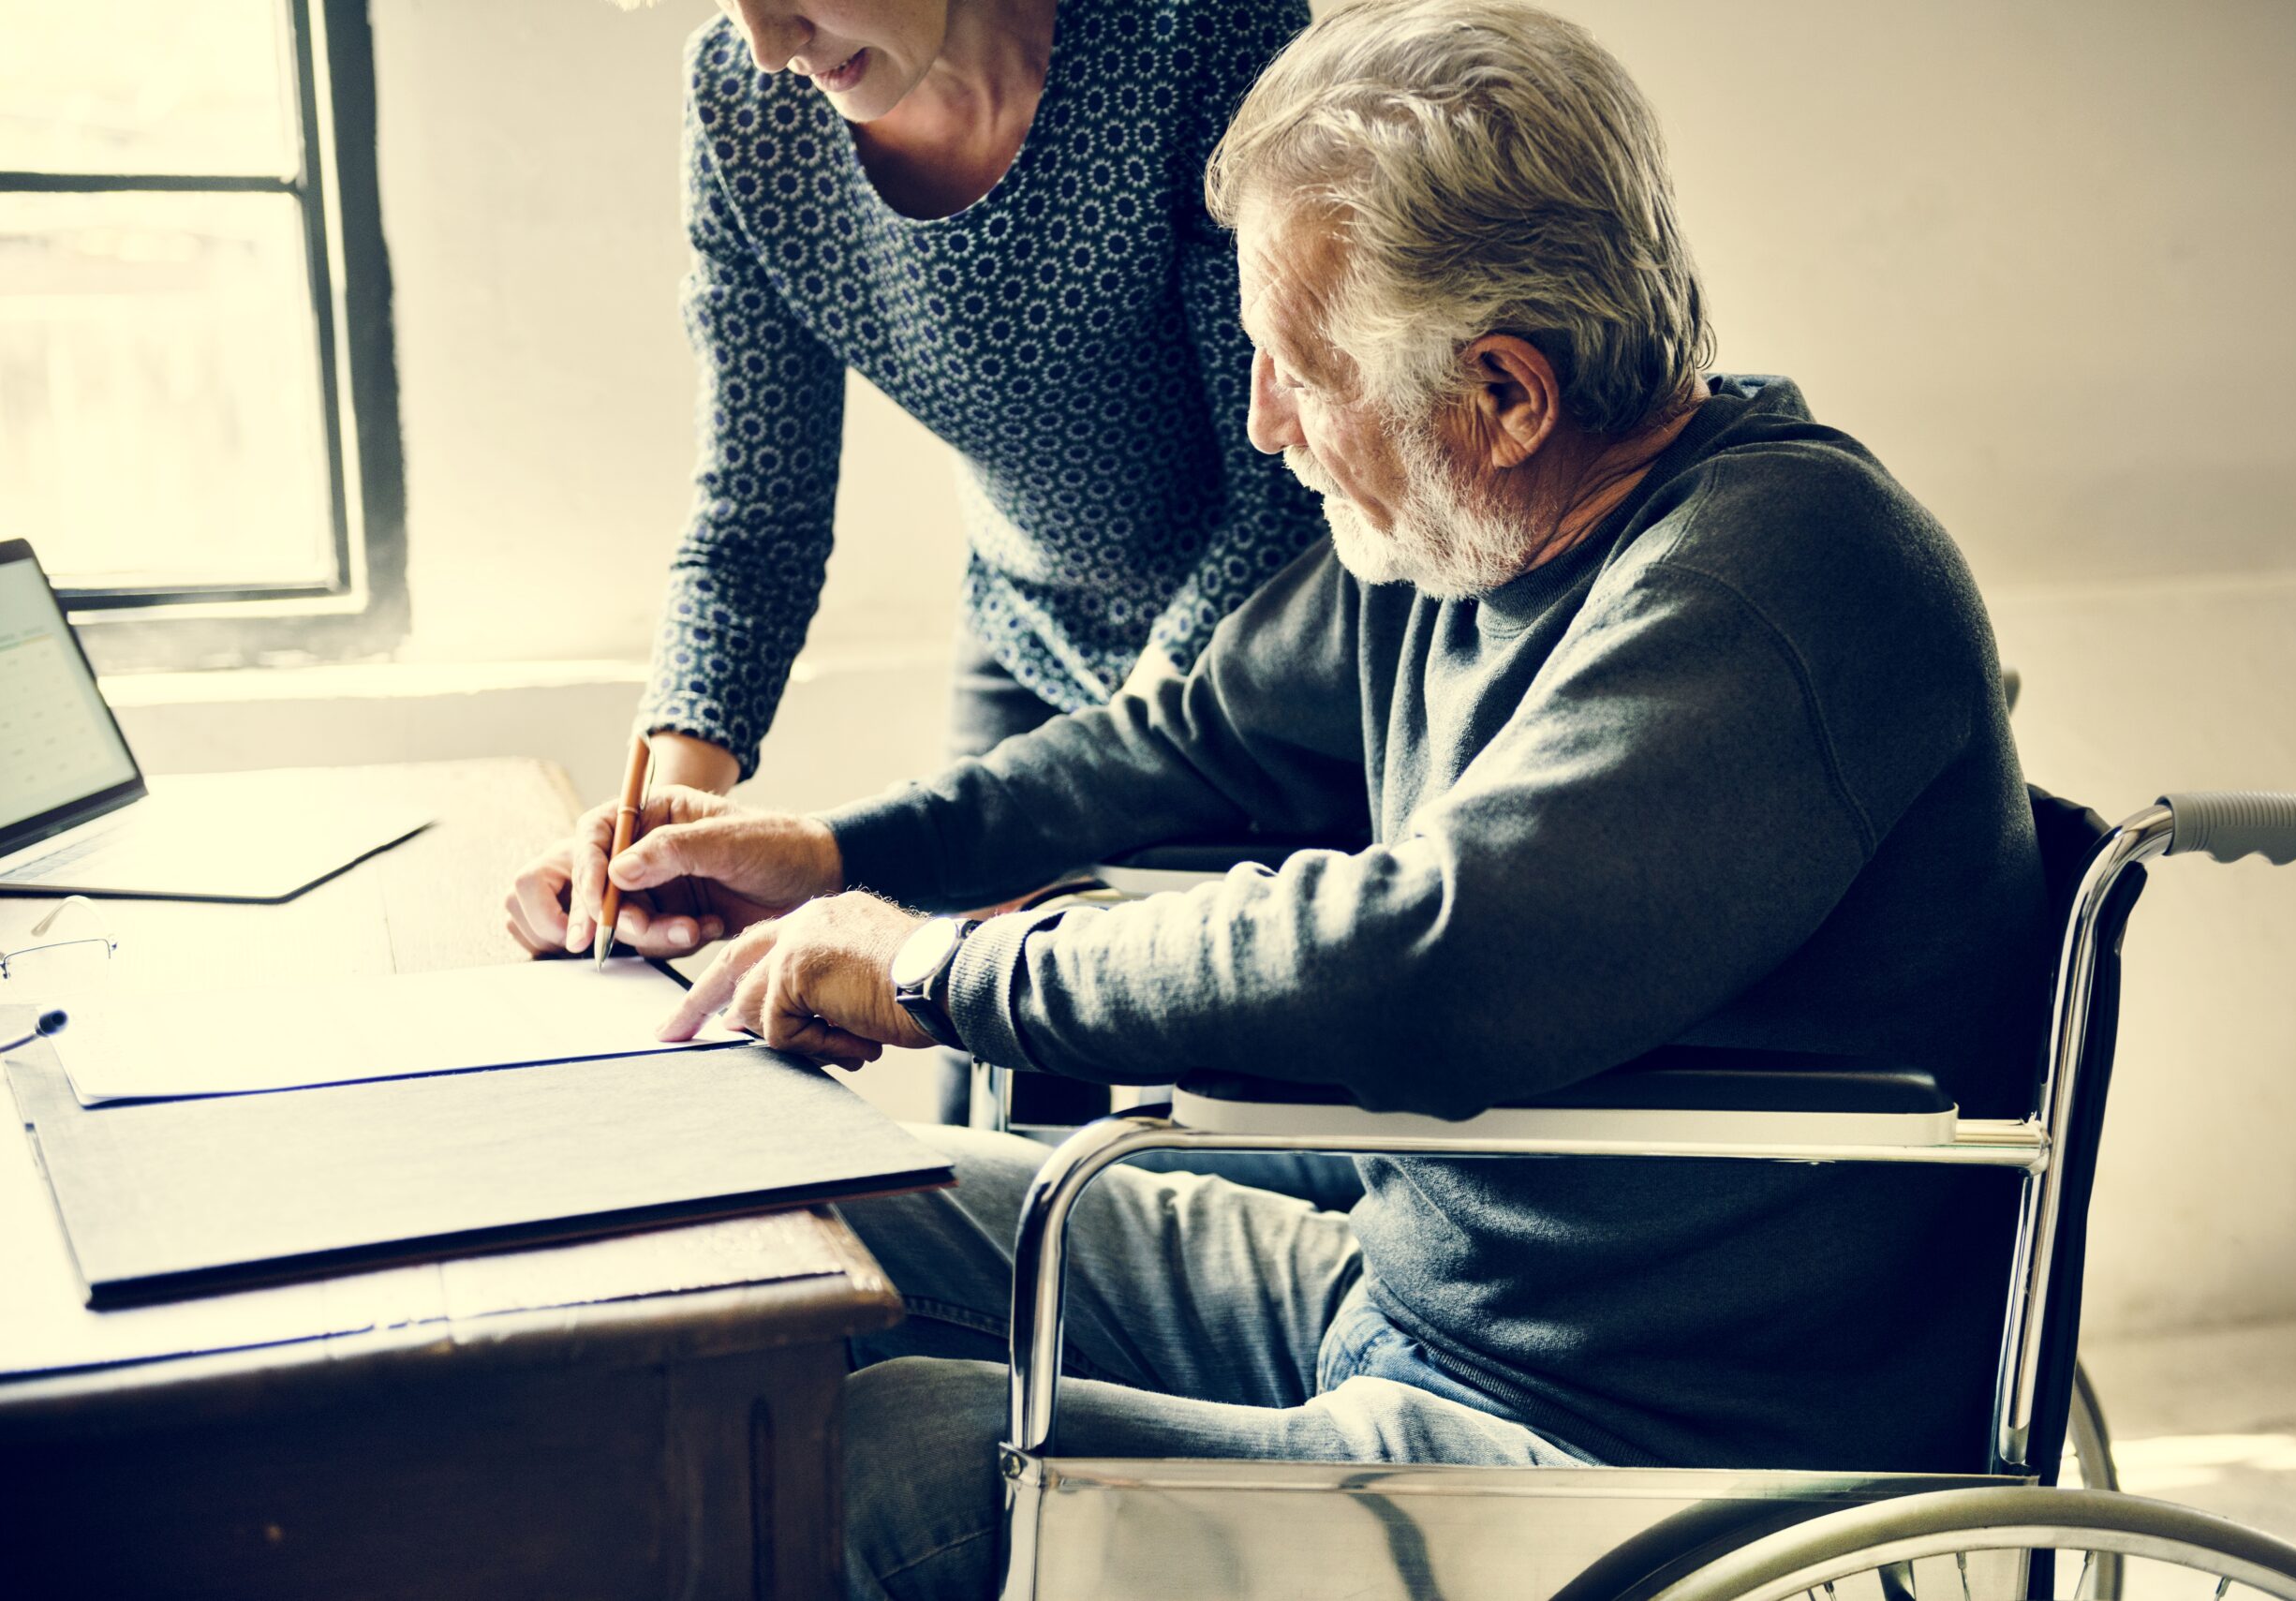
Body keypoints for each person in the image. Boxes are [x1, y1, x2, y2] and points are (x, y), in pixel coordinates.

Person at [595, 3, 2052, 1594]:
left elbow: (1426, 954)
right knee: (826, 1214)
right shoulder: (1467, 522)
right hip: (1406, 1292)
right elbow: (1181, 738)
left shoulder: (1783, 581)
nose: (1268, 426)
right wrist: (827, 857)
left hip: (1617, 1436)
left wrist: (937, 972)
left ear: (1503, 390)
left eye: (1300, 371)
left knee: (870, 1469)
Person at [501, 0, 1326, 1128]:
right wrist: (666, 816)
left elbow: (1285, 476)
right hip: (1025, 623)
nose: (768, 43)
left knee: (1251, 1084)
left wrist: (1084, 785)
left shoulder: (1193, 32)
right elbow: (756, 513)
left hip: (1277, 636)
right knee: (981, 1080)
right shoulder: (747, 107)